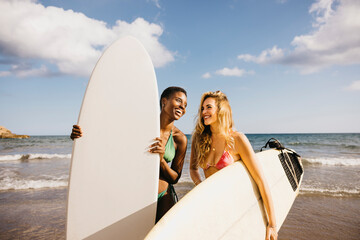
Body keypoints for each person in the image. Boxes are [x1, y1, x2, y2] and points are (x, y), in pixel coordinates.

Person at [71, 86, 188, 222]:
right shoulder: (140, 126)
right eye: (178, 101)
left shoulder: (180, 139)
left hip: (164, 196)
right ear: (164, 101)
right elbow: (108, 141)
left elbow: (175, 177)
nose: (182, 107)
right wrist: (80, 136)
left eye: (185, 105)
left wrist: (161, 161)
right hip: (134, 193)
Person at [189, 91, 278, 240]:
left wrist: (272, 225)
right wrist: (201, 186)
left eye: (208, 107)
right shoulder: (199, 138)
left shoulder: (237, 139)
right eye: (202, 108)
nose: (204, 112)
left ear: (221, 110)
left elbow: (260, 180)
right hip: (211, 206)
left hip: (234, 207)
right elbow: (192, 169)